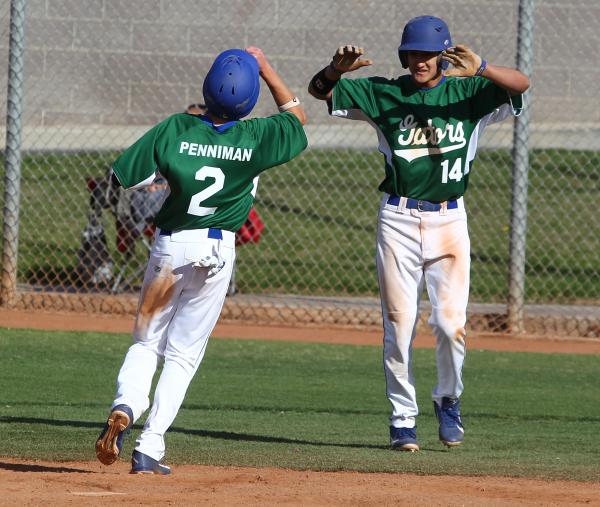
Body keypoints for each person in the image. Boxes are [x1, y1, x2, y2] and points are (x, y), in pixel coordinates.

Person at [308, 16, 529, 451]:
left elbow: (521, 84)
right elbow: (321, 92)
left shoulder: (468, 91)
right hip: (398, 220)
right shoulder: (386, 91)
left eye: (428, 53)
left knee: (450, 325)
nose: (419, 61)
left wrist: (481, 66)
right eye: (412, 53)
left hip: (450, 221)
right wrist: (335, 70)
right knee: (399, 324)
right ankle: (402, 418)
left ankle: (448, 399)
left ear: (445, 56)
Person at [96, 47, 307, 474]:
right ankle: (150, 447)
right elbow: (297, 119)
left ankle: (125, 406)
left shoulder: (176, 127)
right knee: (184, 354)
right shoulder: (256, 137)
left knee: (146, 342)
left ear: (206, 88)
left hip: (171, 246)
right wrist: (266, 68)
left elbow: (122, 176)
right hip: (218, 250)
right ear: (248, 101)